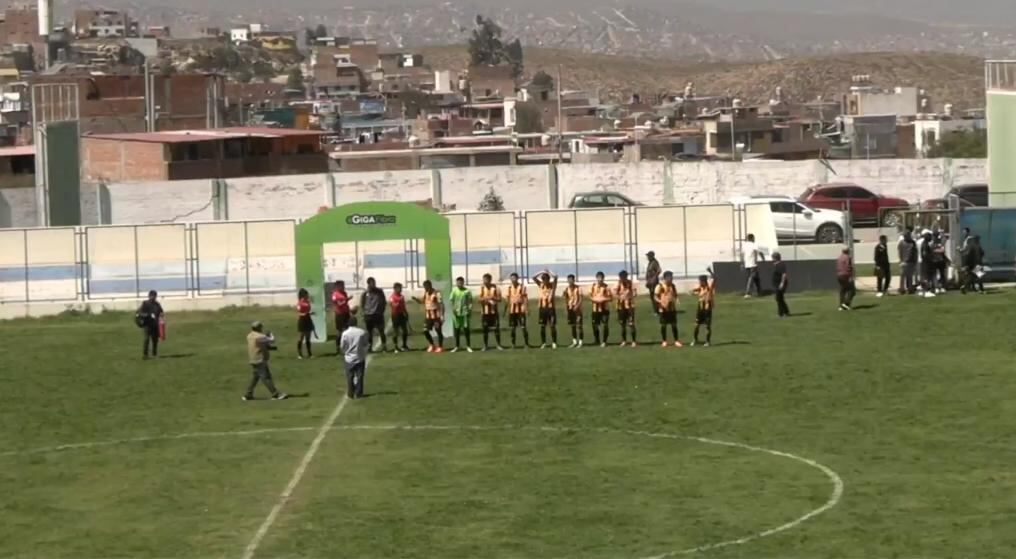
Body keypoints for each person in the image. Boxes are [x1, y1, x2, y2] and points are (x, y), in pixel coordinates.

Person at [243, 321, 289, 401]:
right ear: (259, 328)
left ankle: (248, 394)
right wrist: (270, 334)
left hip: (253, 359)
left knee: (255, 378)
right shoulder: (259, 336)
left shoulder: (249, 335)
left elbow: (260, 344)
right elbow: (272, 340)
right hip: (260, 360)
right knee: (266, 377)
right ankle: (275, 394)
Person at [339, 317, 369, 399]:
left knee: (350, 376)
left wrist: (345, 352)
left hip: (349, 358)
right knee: (360, 376)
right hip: (359, 356)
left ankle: (350, 393)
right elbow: (365, 344)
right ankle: (359, 393)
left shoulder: (345, 333)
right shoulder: (362, 332)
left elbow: (342, 346)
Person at [413, 280, 445, 353]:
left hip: (436, 317)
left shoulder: (437, 293)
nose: (426, 289)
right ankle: (432, 345)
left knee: (438, 331)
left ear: (430, 286)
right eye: (425, 287)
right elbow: (422, 301)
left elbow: (442, 304)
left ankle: (440, 347)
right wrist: (416, 300)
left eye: (427, 287)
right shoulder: (426, 293)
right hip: (428, 317)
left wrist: (442, 316)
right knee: (425, 331)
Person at [533, 270, 559, 349]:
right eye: (543, 279)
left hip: (551, 308)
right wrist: (541, 271)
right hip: (542, 308)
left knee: (552, 326)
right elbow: (533, 277)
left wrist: (549, 272)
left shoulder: (552, 285)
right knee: (542, 326)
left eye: (546, 279)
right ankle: (543, 343)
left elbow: (556, 277)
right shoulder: (541, 285)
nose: (544, 281)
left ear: (548, 279)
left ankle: (554, 342)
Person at [360, 278, 388, 352]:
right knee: (369, 332)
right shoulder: (365, 293)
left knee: (381, 331)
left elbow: (384, 302)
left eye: (374, 282)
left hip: (378, 315)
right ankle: (369, 347)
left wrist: (381, 311)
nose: (373, 284)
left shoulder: (379, 292)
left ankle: (384, 346)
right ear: (368, 284)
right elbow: (362, 304)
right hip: (368, 315)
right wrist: (364, 313)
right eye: (372, 283)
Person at [654, 271, 682, 347]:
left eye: (672, 277)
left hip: (672, 309)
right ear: (666, 278)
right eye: (670, 277)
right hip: (663, 309)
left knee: (674, 325)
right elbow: (655, 296)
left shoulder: (673, 286)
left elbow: (675, 295)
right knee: (663, 325)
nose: (672, 278)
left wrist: (677, 300)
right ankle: (664, 341)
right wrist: (660, 301)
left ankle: (676, 340)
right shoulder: (660, 286)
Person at [479, 274, 504, 351]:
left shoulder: (496, 288)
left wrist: (493, 298)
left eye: (486, 279)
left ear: (490, 280)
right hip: (485, 312)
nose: (484, 281)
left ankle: (498, 345)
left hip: (494, 312)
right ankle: (485, 346)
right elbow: (479, 299)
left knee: (496, 328)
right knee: (485, 329)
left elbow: (500, 299)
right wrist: (484, 299)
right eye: (484, 279)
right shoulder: (482, 288)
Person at [136, 290, 164, 360]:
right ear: (149, 296)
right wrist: (148, 315)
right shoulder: (145, 304)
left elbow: (161, 312)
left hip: (155, 324)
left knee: (155, 340)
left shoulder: (157, 304)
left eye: (154, 296)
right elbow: (139, 313)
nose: (153, 297)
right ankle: (145, 355)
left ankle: (154, 354)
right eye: (151, 296)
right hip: (147, 324)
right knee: (147, 339)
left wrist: (161, 315)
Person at [449, 277, 474, 352]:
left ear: (463, 282)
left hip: (464, 312)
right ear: (456, 283)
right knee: (457, 330)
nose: (459, 283)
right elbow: (451, 301)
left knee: (466, 329)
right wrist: (453, 309)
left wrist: (469, 309)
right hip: (456, 313)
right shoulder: (454, 290)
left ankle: (468, 346)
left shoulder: (467, 291)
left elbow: (470, 301)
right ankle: (457, 346)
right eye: (458, 282)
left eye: (461, 282)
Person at [692, 268, 716, 347]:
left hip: (707, 309)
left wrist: (710, 271)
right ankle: (695, 340)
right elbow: (694, 291)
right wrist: (692, 291)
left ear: (703, 281)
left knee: (707, 326)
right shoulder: (700, 288)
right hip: (700, 308)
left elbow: (715, 278)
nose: (699, 282)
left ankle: (707, 341)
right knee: (696, 325)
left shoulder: (709, 288)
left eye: (700, 281)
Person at [505, 273, 530, 349]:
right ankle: (513, 344)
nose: (513, 280)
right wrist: (507, 309)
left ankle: (526, 344)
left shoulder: (522, 287)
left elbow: (525, 298)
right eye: (511, 278)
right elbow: (508, 299)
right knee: (513, 328)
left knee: (523, 327)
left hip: (521, 310)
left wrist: (526, 309)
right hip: (512, 311)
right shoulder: (509, 288)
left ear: (517, 278)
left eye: (514, 278)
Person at [589, 271, 613, 347]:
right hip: (595, 309)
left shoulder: (606, 287)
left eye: (601, 278)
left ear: (603, 278)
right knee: (595, 325)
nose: (600, 279)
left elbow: (611, 298)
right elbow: (590, 296)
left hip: (604, 309)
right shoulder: (593, 286)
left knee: (605, 325)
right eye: (598, 278)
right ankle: (597, 340)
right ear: (596, 278)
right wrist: (594, 300)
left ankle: (604, 341)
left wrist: (603, 299)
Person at [614, 271, 637, 347]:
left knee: (631, 324)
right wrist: (620, 297)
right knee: (622, 324)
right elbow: (615, 294)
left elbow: (634, 292)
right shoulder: (618, 284)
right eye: (621, 277)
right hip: (621, 307)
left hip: (630, 306)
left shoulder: (630, 283)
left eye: (624, 277)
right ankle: (624, 341)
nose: (623, 278)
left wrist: (631, 295)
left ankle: (633, 341)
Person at [563, 274, 584, 348]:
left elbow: (581, 299)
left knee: (579, 325)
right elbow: (566, 299)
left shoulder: (578, 288)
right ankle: (574, 341)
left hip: (577, 309)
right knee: (572, 325)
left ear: (574, 280)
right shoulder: (566, 289)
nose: (570, 281)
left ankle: (580, 342)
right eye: (569, 279)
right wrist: (566, 308)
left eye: (571, 279)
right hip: (570, 309)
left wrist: (577, 306)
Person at [389, 283, 410, 353]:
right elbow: (393, 305)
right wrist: (398, 302)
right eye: (399, 288)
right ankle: (395, 346)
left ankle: (404, 345)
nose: (400, 289)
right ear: (395, 288)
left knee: (405, 331)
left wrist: (406, 313)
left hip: (401, 315)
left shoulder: (402, 296)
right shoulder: (392, 297)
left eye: (401, 288)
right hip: (395, 315)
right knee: (396, 331)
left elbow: (403, 306)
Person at [331, 280, 352, 352]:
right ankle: (338, 348)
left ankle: (346, 347)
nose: (343, 287)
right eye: (342, 286)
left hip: (346, 314)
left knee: (347, 330)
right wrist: (347, 299)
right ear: (338, 286)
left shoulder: (344, 293)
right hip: (339, 315)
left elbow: (345, 304)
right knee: (340, 331)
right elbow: (339, 304)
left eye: (344, 285)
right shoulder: (335, 294)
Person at [742, 234, 764, 298]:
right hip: (753, 264)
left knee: (756, 278)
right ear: (751, 238)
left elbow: (743, 254)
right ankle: (748, 293)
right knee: (751, 278)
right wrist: (763, 258)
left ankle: (759, 291)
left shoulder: (744, 245)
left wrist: (742, 263)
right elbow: (758, 252)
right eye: (753, 238)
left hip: (747, 264)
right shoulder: (754, 244)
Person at [898, 228, 918, 295]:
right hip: (904, 262)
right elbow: (900, 252)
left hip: (910, 262)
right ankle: (902, 289)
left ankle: (909, 288)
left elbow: (914, 253)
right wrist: (901, 260)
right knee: (902, 276)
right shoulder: (901, 243)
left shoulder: (912, 242)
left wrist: (915, 261)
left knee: (909, 276)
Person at [296, 288, 314, 359]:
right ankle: (300, 354)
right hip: (302, 321)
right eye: (306, 294)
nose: (308, 296)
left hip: (308, 320)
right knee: (301, 337)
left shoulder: (307, 302)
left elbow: (308, 310)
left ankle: (310, 353)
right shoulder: (299, 303)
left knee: (308, 337)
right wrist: (307, 313)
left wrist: (309, 313)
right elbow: (299, 313)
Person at [772, 252, 790, 317]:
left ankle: (781, 313)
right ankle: (786, 312)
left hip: (780, 284)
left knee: (778, 298)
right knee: (780, 299)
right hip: (777, 284)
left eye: (773, 257)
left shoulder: (781, 265)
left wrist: (782, 283)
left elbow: (784, 274)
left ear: (775, 258)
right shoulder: (776, 264)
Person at [919, 231, 937, 297]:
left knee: (928, 277)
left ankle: (928, 290)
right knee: (927, 277)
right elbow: (925, 254)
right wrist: (931, 259)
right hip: (927, 263)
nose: (931, 238)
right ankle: (927, 291)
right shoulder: (925, 245)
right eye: (930, 236)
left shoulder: (926, 244)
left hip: (927, 263)